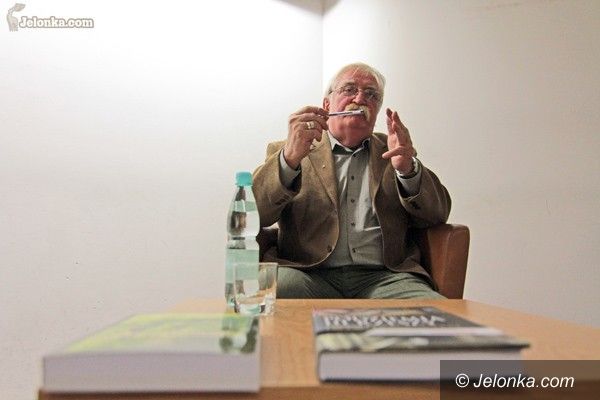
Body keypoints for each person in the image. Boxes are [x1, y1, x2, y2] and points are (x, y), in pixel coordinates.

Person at [252, 62, 451, 299]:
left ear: (377, 110)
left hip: (385, 277)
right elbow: (254, 213)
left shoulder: (394, 150)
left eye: (371, 95)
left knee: (434, 309)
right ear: (327, 105)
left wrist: (408, 170)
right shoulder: (294, 150)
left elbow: (438, 214)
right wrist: (289, 159)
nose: (360, 99)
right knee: (279, 291)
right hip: (308, 274)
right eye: (349, 90)